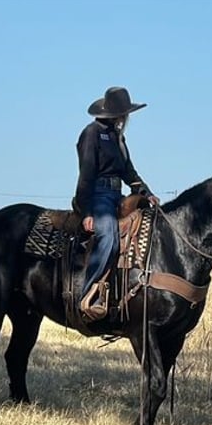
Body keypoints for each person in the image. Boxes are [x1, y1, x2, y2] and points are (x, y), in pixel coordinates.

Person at [73, 86, 159, 319]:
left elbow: (129, 172)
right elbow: (86, 176)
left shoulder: (117, 137)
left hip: (117, 195)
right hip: (98, 195)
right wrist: (86, 212)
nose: (125, 118)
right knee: (109, 237)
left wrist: (146, 193)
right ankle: (89, 295)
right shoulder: (91, 133)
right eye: (124, 113)